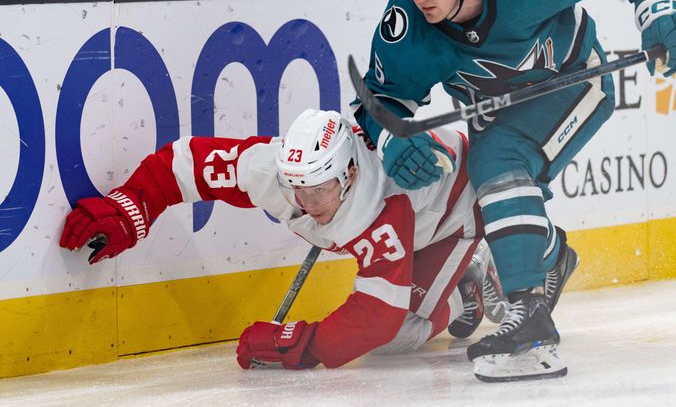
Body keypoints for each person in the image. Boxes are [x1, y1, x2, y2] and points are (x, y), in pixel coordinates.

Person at [351, 0, 676, 382]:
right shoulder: (406, 23)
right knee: (488, 198)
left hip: (571, 83)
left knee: (497, 163)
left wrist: (661, 3)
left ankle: (530, 321)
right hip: (493, 113)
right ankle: (550, 255)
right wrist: (392, 135)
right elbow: (381, 100)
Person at [59, 109, 506, 369]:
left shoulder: (376, 209)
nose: (307, 202)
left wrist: (298, 344)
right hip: (419, 213)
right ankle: (459, 287)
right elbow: (181, 164)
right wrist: (129, 208)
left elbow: (377, 318)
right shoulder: (271, 169)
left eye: (320, 191)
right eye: (297, 189)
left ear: (349, 175)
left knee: (398, 338)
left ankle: (468, 289)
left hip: (455, 214)